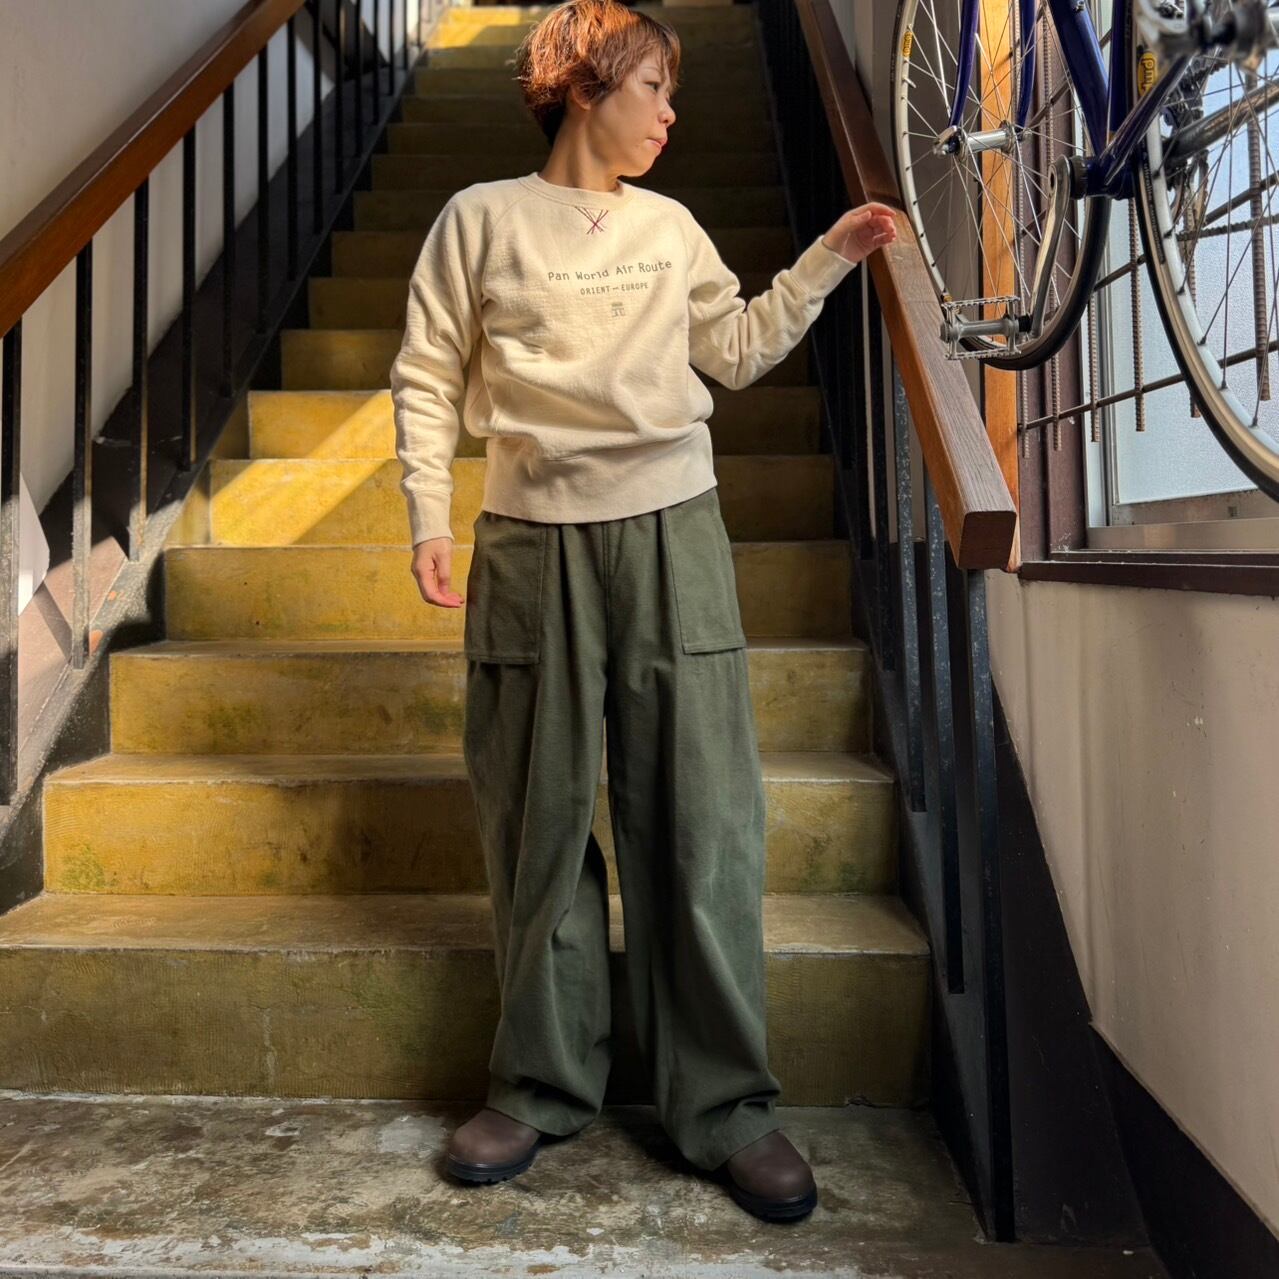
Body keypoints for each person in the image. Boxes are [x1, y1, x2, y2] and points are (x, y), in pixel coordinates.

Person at [389, 0, 896, 1224]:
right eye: (652, 87)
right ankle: (540, 1082)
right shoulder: (478, 219)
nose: (671, 113)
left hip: (675, 534)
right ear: (583, 85)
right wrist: (426, 516)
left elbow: (738, 347)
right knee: (537, 821)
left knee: (703, 820)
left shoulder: (670, 228)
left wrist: (828, 257)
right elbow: (425, 374)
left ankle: (723, 1104)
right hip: (528, 545)